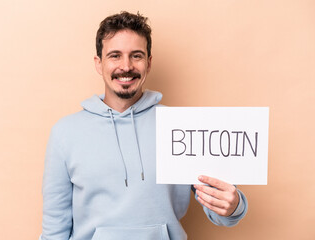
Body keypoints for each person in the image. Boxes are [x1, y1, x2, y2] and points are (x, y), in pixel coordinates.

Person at [39, 11, 247, 240]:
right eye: (115, 56)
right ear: (99, 63)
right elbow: (54, 231)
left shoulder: (182, 127)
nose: (126, 66)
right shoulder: (65, 133)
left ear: (148, 63)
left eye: (136, 56)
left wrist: (234, 204)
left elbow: (221, 211)